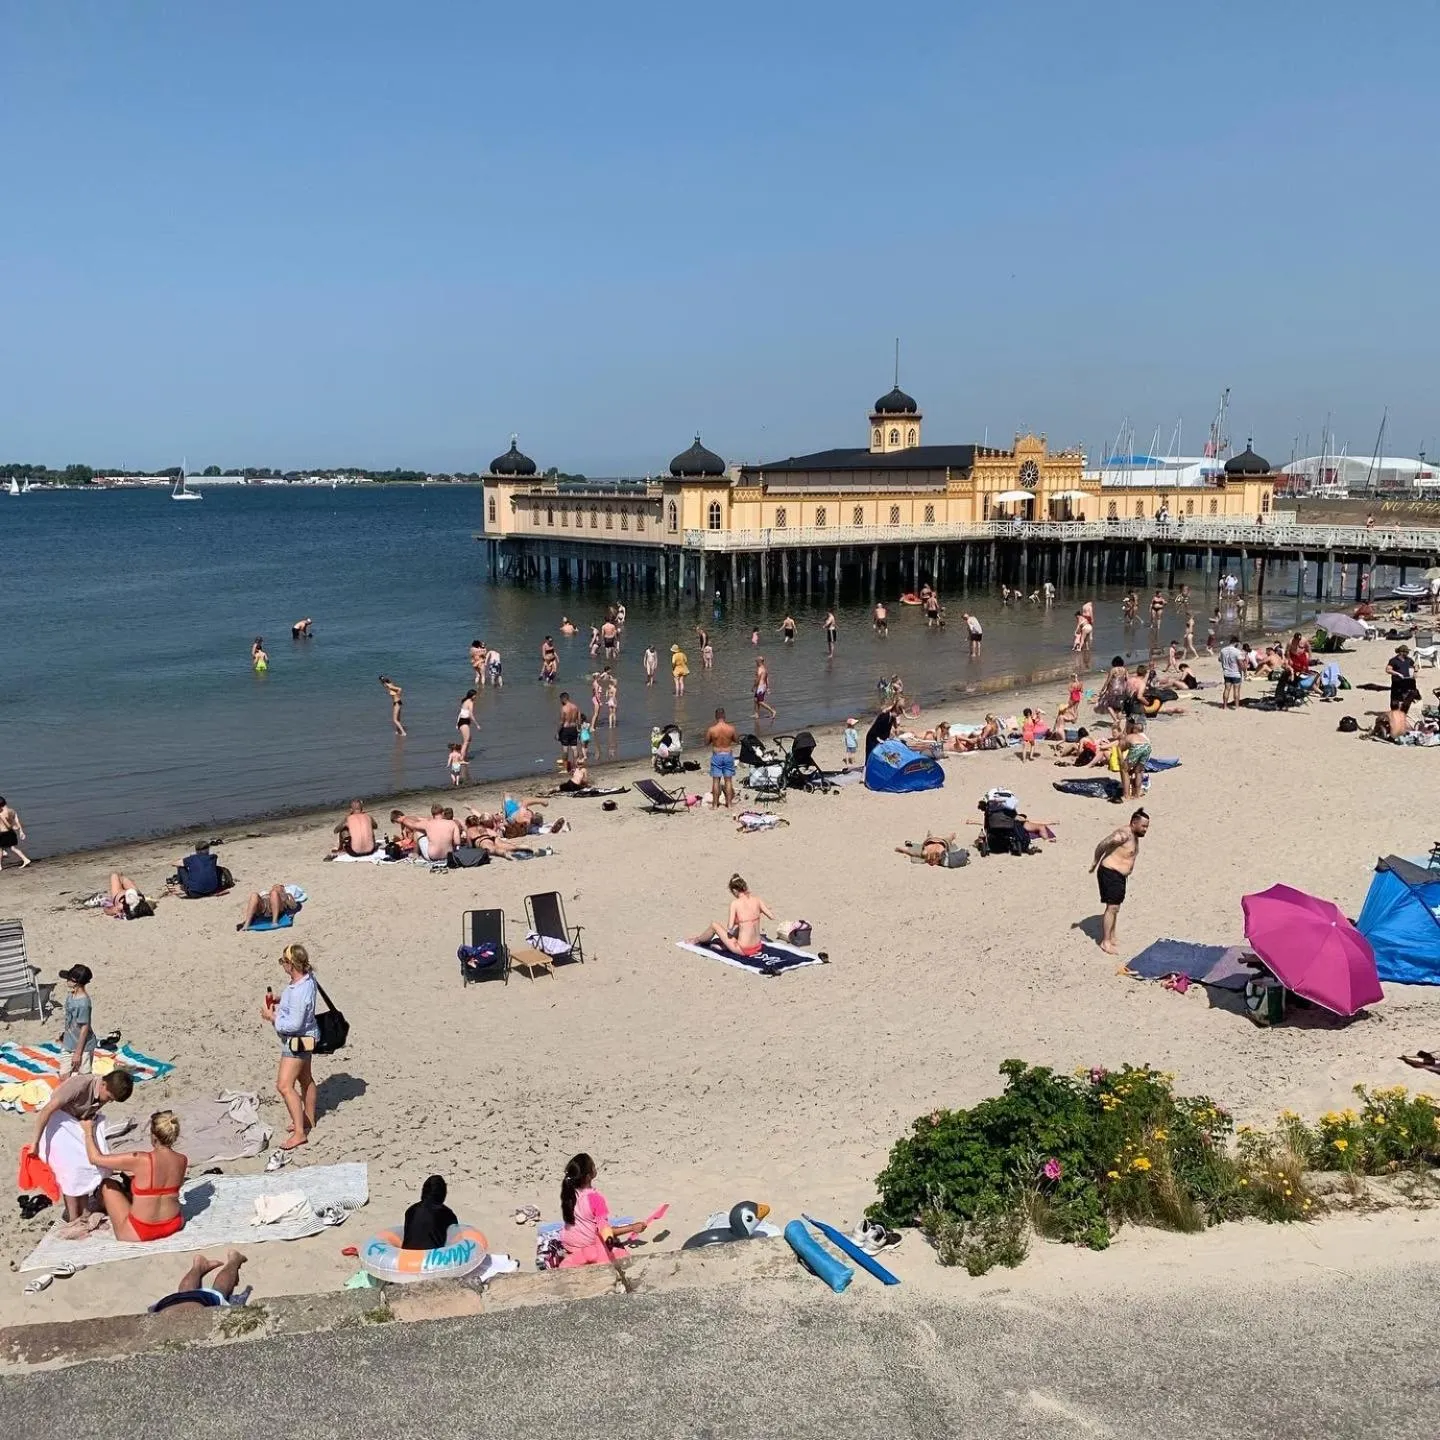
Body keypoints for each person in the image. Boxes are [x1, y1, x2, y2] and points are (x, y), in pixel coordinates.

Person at [31, 1068, 134, 1222]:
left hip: (76, 1125)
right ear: (103, 1084)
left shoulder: (102, 1092)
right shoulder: (79, 1085)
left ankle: (84, 1210)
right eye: (109, 1097)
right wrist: (35, 1142)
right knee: (70, 1171)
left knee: (86, 1166)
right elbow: (47, 1110)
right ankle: (73, 1216)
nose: (109, 1101)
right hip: (58, 1123)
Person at [77, 1108, 187, 1242]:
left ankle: (103, 1207)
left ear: (153, 1136)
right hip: (174, 1223)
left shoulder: (140, 1159)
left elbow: (95, 1159)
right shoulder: (182, 1160)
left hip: (141, 1231)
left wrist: (88, 1132)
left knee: (107, 1185)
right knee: (141, 1187)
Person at [262, 943, 319, 1150]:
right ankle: (307, 1119)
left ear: (291, 964)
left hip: (297, 1041)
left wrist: (272, 1016)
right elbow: (298, 1004)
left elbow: (294, 1024)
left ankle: (300, 1133)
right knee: (305, 1079)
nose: (282, 965)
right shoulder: (307, 979)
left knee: (284, 1086)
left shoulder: (299, 991)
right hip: (308, 1037)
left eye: (283, 961)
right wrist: (280, 999)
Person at [559, 1153, 649, 1267]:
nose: (595, 1168)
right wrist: (632, 1228)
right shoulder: (595, 1199)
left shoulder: (569, 1192)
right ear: (588, 1176)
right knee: (623, 1256)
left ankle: (572, 1256)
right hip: (586, 1246)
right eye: (593, 1166)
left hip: (567, 1243)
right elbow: (604, 1231)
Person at [1090, 808, 1149, 955]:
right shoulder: (1122, 835)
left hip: (1119, 876)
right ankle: (1105, 942)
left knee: (1116, 907)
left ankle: (1111, 936)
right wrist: (1095, 862)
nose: (1145, 830)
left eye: (1147, 826)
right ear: (1134, 823)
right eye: (1143, 826)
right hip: (1110, 873)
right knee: (1112, 907)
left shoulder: (1133, 834)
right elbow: (1102, 844)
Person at [687, 872, 774, 959]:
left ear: (735, 890)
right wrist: (755, 914)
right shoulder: (757, 900)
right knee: (742, 926)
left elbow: (730, 927)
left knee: (714, 925)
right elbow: (771, 916)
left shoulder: (735, 904)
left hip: (743, 949)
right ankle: (724, 946)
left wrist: (737, 921)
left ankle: (697, 940)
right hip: (758, 947)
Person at [151, 1250, 249, 1313]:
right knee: (185, 1293)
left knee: (219, 1291)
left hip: (184, 1306)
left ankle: (234, 1259)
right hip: (164, 1304)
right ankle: (198, 1265)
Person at [57, 965, 97, 1077]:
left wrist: (78, 1054)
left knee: (83, 1078)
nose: (66, 980)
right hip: (68, 1043)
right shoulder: (70, 996)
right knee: (64, 1076)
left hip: (84, 1047)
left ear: (76, 982)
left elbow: (84, 1028)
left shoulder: (83, 1004)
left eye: (68, 979)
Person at [402, 1174, 458, 1251]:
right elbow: (455, 1240)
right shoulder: (447, 1213)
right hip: (432, 1257)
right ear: (442, 1193)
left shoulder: (410, 1210)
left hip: (406, 1256)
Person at [391, 806, 462, 863]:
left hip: (432, 856)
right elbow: (457, 842)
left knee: (418, 832)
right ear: (442, 812)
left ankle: (416, 853)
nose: (398, 823)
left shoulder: (406, 821)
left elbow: (414, 827)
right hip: (448, 855)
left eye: (396, 821)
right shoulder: (451, 823)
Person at [705, 707, 739, 809]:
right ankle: (729, 804)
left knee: (716, 781)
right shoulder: (731, 728)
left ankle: (715, 805)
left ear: (716, 716)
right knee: (728, 781)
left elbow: (706, 742)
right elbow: (737, 740)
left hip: (717, 755)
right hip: (728, 754)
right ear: (724, 716)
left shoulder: (712, 729)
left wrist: (714, 739)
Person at [237, 882, 305, 930]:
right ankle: (247, 924)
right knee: (254, 895)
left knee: (274, 893)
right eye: (274, 886)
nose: (276, 887)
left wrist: (285, 898)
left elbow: (294, 907)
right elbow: (255, 904)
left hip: (277, 906)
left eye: (279, 886)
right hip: (264, 906)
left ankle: (274, 921)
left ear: (283, 889)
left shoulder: (287, 895)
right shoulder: (266, 893)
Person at [1116, 721, 1151, 801]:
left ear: (1134, 730)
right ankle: (1137, 795)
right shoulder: (1143, 737)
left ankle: (1126, 795)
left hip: (1136, 747)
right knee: (1139, 771)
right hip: (1147, 746)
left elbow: (1119, 749)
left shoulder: (1129, 736)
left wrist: (1121, 761)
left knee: (1124, 770)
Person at [896, 833, 964, 867]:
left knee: (948, 839)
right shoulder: (926, 853)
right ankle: (952, 836)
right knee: (949, 839)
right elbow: (911, 852)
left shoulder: (927, 853)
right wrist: (901, 849)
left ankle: (951, 836)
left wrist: (901, 849)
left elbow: (911, 852)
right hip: (938, 842)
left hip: (935, 841)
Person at [0, 796, 29, 869]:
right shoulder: (12, 811)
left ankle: (0, 865)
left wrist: (12, 827)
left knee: (1, 849)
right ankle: (25, 859)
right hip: (11, 833)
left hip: (4, 833)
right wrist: (21, 831)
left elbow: (8, 825)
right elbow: (17, 821)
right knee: (12, 848)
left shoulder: (1, 813)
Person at [1387, 644, 1419, 711]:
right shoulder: (1393, 660)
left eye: (1407, 652)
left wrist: (1415, 671)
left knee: (1406, 700)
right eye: (1406, 652)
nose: (1407, 653)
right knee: (1395, 701)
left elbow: (1415, 665)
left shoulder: (1408, 660)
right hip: (1396, 683)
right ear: (1401, 652)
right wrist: (1397, 674)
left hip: (1406, 682)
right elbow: (1388, 670)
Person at [1219, 634, 1245, 709]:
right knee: (1236, 690)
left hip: (1227, 672)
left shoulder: (1223, 650)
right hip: (1236, 673)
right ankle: (1236, 706)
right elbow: (1240, 663)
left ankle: (1225, 706)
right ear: (1236, 643)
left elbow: (1220, 659)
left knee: (1227, 689)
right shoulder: (1237, 651)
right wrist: (1244, 671)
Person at [557, 691, 582, 767]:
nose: (560, 702)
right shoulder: (575, 707)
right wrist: (579, 730)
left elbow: (562, 722)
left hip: (565, 729)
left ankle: (566, 767)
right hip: (574, 728)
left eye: (561, 700)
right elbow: (579, 720)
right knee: (574, 748)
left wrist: (557, 732)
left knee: (565, 748)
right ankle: (576, 766)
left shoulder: (564, 708)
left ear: (563, 699)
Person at [456, 689, 477, 763]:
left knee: (469, 739)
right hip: (464, 722)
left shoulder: (464, 701)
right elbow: (471, 714)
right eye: (475, 695)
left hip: (463, 721)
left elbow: (461, 712)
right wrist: (477, 724)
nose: (475, 696)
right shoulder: (470, 702)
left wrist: (457, 723)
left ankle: (464, 755)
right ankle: (461, 759)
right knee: (466, 741)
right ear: (472, 695)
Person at [754, 657, 777, 721]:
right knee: (755, 700)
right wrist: (767, 687)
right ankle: (756, 714)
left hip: (760, 687)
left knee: (760, 702)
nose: (756, 662)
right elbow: (766, 679)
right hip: (762, 686)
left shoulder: (760, 669)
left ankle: (772, 711)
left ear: (759, 661)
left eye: (756, 661)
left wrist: (753, 686)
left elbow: (758, 679)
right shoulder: (764, 669)